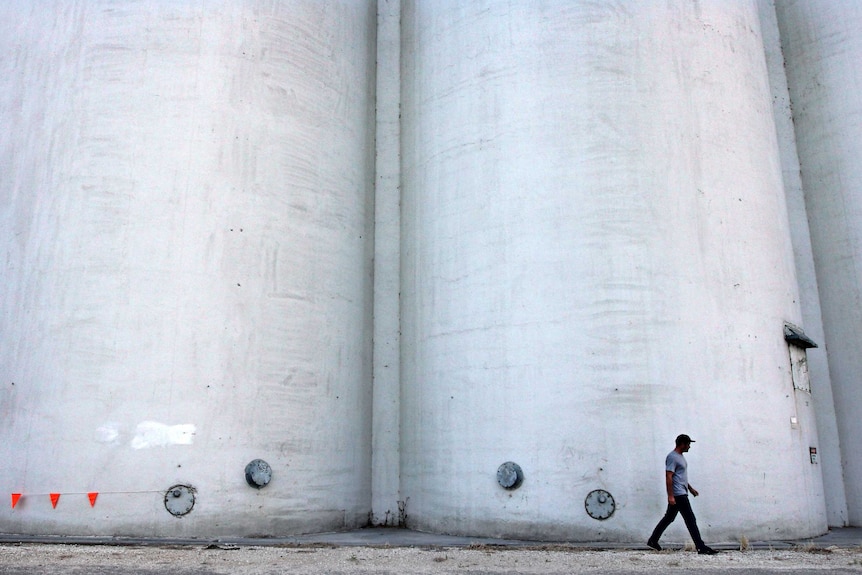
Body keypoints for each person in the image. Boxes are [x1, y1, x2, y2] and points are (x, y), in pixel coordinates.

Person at [647, 434, 719, 555]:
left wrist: (690, 488)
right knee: (691, 519)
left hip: (681, 491)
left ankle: (653, 540)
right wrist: (670, 496)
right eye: (688, 444)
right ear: (682, 444)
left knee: (669, 518)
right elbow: (668, 476)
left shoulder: (680, 457)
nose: (689, 446)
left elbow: (680, 477)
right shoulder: (672, 457)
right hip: (678, 494)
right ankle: (701, 547)